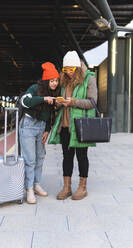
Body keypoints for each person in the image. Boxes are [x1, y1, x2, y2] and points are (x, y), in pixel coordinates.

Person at [48, 51, 97, 200]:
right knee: (66, 157)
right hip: (65, 125)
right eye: (65, 69)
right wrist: (59, 102)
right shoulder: (64, 81)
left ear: (77, 67)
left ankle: (82, 188)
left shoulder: (89, 78)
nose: (68, 72)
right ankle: (67, 187)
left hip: (80, 125)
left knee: (82, 156)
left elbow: (92, 102)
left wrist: (73, 101)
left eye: (71, 69)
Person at [19, 62, 60, 204]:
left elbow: (50, 114)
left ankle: (36, 184)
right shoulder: (35, 88)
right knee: (30, 159)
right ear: (46, 80)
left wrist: (47, 130)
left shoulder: (54, 93)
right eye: (52, 80)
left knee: (40, 157)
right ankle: (29, 189)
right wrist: (43, 99)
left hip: (41, 127)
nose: (55, 83)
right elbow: (24, 102)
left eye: (56, 80)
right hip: (29, 125)